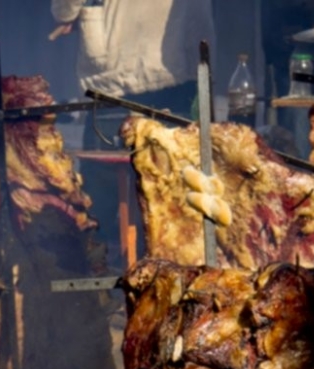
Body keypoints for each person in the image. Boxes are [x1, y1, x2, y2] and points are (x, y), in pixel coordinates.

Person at [48, 0, 216, 268]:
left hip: (115, 71)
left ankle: (96, 285)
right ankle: (175, 275)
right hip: (178, 61)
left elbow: (65, 7)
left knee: (101, 197)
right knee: (175, 191)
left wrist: (65, 13)